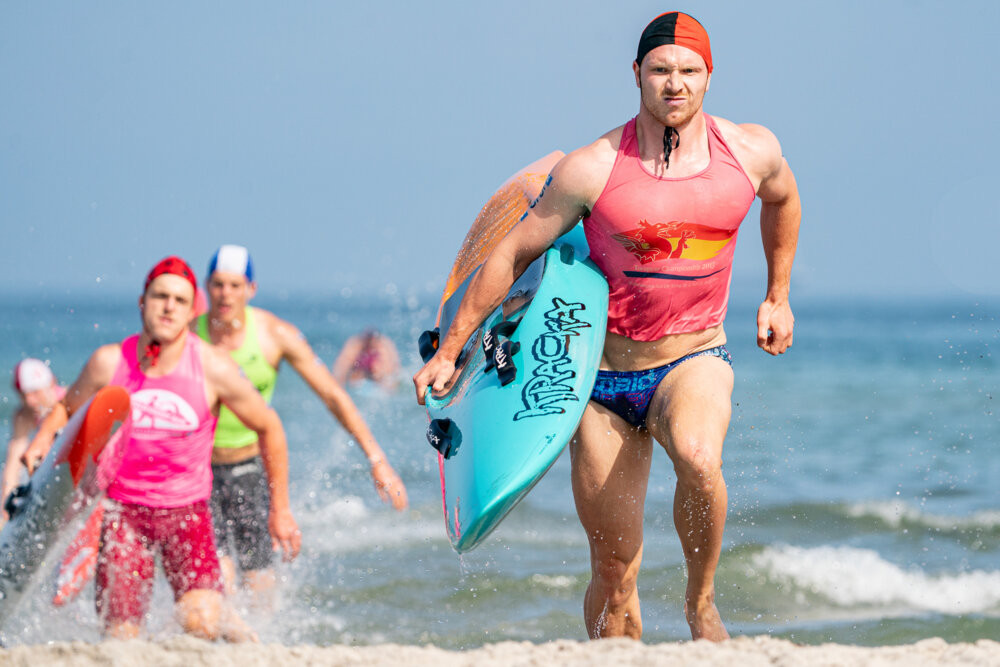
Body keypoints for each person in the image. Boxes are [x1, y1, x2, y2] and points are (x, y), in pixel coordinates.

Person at [413, 12, 800, 642]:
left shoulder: (750, 153)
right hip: (597, 377)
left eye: (689, 70)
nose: (675, 84)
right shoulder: (592, 169)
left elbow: (783, 199)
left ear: (709, 76)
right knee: (614, 570)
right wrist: (450, 351)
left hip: (692, 357)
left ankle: (701, 602)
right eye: (661, 70)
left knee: (699, 456)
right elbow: (511, 254)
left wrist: (777, 295)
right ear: (637, 74)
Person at [22, 256, 300, 641]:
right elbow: (66, 410)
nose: (169, 307)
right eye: (160, 296)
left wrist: (280, 509)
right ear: (142, 302)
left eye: (180, 300)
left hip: (188, 515)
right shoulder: (108, 362)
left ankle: (227, 621)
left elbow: (270, 426)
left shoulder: (213, 367)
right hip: (122, 515)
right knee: (120, 640)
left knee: (201, 623)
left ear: (190, 312)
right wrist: (41, 442)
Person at [196, 245, 408, 602]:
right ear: (206, 286)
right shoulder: (189, 336)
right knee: (217, 583)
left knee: (259, 587)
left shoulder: (274, 335)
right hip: (197, 471)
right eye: (218, 285)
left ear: (251, 289)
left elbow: (333, 395)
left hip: (250, 469)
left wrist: (377, 459)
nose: (225, 294)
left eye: (235, 285)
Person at [2, 359, 66, 518]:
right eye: (24, 396)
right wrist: (5, 508)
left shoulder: (68, 401)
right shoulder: (24, 415)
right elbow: (13, 465)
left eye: (35, 392)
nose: (30, 401)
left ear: (51, 383)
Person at [332, 328, 401, 390]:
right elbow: (342, 364)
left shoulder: (382, 346)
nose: (371, 343)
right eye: (369, 341)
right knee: (355, 377)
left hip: (374, 371)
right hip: (359, 369)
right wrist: (339, 382)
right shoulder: (356, 345)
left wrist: (387, 380)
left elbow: (390, 367)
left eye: (373, 341)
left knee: (378, 371)